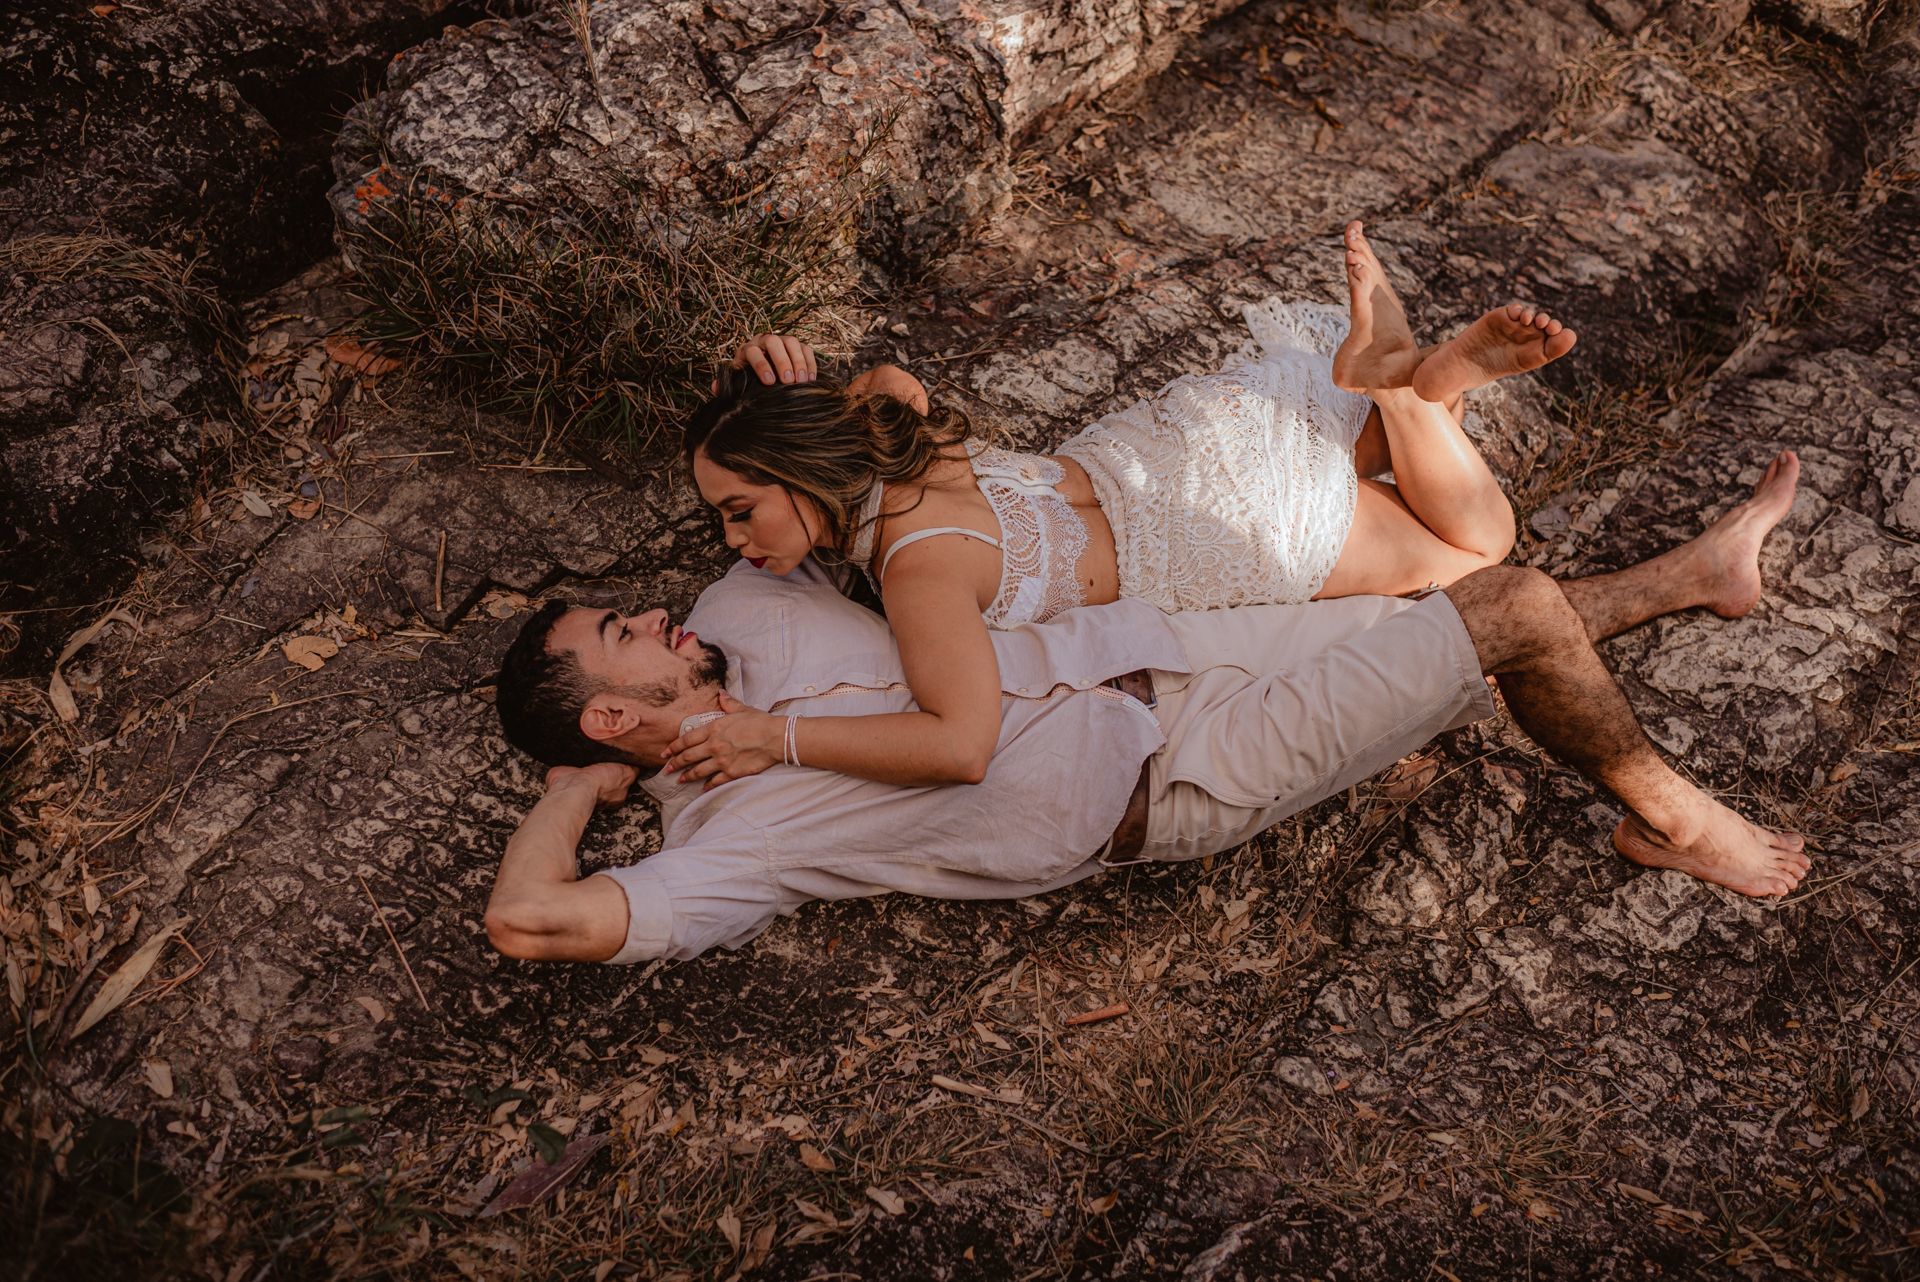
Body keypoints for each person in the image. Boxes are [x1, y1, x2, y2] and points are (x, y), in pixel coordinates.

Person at [485, 451, 1808, 963]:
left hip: (1155, 645)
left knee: (1448, 623)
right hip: (1181, 772)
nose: (654, 617)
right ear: (608, 718)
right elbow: (530, 917)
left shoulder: (737, 607)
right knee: (1509, 610)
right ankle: (1673, 818)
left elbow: (782, 477)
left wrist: (774, 375)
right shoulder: (730, 842)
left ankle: (1697, 575)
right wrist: (567, 794)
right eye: (621, 635)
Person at [663, 222, 1579, 791]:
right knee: (1411, 467)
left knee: (1476, 549)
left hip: (1218, 532)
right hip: (1179, 446)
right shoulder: (899, 430)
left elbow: (958, 745)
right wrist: (780, 380)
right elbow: (887, 376)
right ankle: (1409, 389)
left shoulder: (920, 569)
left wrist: (775, 738)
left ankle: (1410, 392)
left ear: (801, 468)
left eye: (740, 509)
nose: (734, 541)